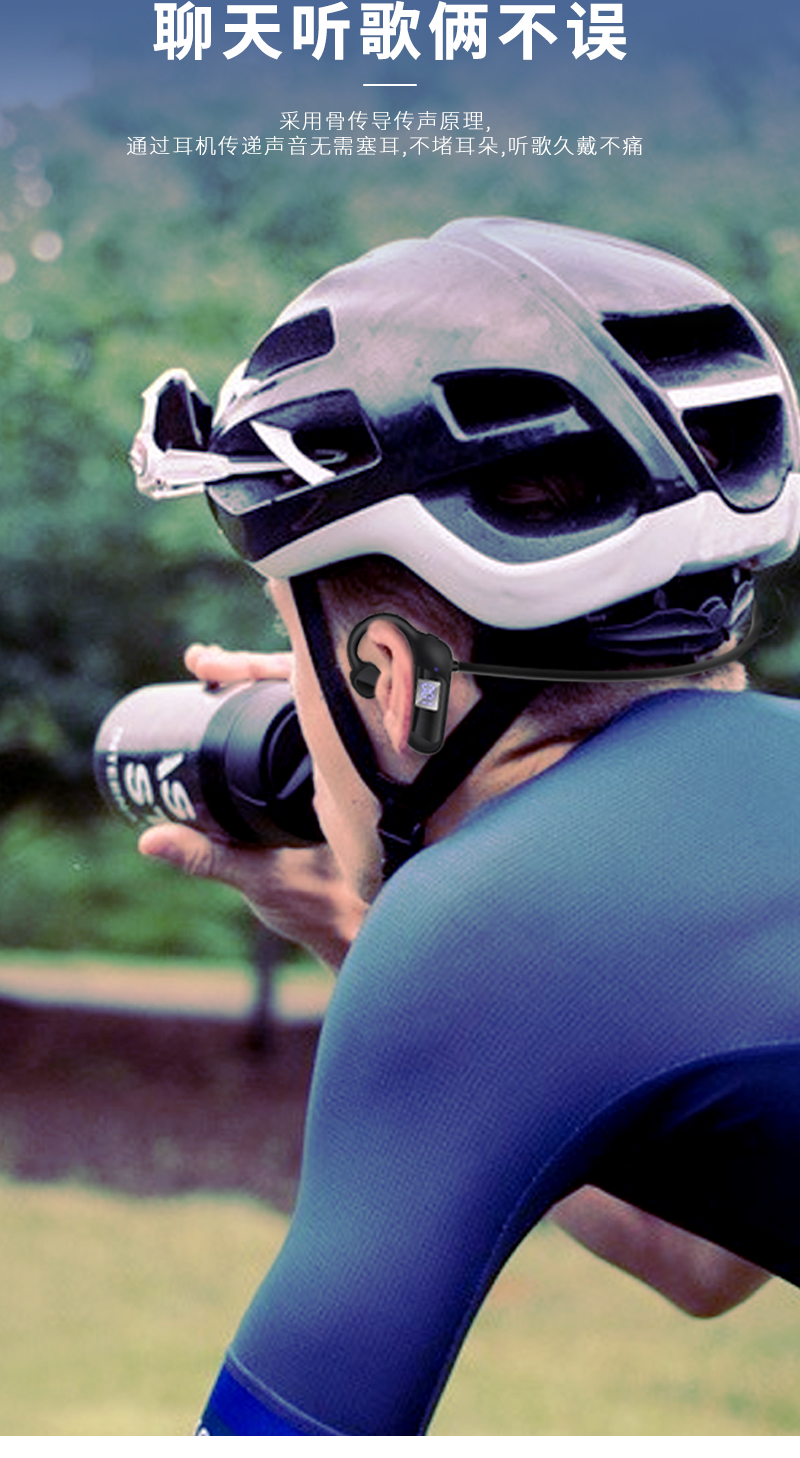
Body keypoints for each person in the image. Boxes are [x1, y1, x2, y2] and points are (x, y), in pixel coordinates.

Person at [131, 217, 800, 1435]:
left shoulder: (490, 926)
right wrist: (364, 939)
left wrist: (418, 954)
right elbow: (708, 1256)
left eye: (295, 643)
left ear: (390, 677)